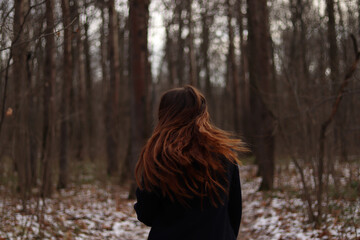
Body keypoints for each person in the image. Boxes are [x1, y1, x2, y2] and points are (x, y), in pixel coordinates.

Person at [134, 85, 247, 240]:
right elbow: (234, 211)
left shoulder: (159, 157)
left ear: (165, 115)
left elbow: (146, 214)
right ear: (202, 113)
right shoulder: (224, 154)